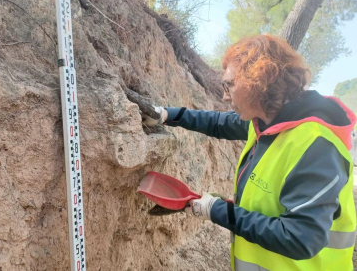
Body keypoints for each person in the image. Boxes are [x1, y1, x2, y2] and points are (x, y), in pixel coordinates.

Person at [142, 34, 356, 271]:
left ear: (259, 82)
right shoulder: (267, 121)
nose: (224, 96)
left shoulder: (316, 146)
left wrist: (219, 212)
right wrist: (166, 115)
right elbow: (218, 123)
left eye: (229, 85)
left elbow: (300, 238)